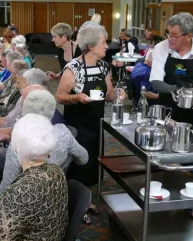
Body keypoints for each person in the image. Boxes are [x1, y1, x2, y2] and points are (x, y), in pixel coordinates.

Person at [56, 26, 123, 220]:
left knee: (93, 159)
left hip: (96, 121)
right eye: (103, 42)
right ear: (91, 45)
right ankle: (73, 203)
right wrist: (76, 98)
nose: (106, 46)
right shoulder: (73, 68)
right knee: (77, 162)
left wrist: (118, 94)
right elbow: (59, 96)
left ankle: (86, 198)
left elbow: (109, 96)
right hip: (77, 124)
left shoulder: (104, 66)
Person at [0, 114, 68, 241]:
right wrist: (2, 200)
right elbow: (33, 204)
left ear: (16, 148)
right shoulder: (57, 171)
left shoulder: (21, 192)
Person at [0, 89, 88, 192]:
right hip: (57, 191)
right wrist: (67, 159)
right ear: (52, 111)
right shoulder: (63, 132)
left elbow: (6, 188)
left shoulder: (19, 144)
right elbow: (84, 159)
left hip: (25, 197)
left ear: (25, 112)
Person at [149, 12, 193, 133]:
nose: (169, 39)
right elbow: (156, 82)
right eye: (168, 34)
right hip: (167, 111)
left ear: (189, 36)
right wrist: (178, 91)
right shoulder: (161, 48)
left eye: (174, 36)